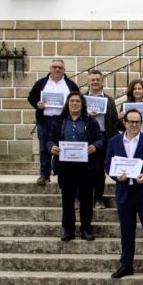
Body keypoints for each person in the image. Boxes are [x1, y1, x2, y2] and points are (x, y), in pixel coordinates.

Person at [105, 109, 143, 280]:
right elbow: (108, 164)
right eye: (131, 122)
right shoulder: (114, 141)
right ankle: (126, 265)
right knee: (126, 231)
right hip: (125, 193)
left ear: (141, 123)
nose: (134, 125)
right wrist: (117, 176)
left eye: (137, 122)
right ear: (124, 123)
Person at [47, 92, 104, 241]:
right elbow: (50, 140)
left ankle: (86, 229)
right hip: (65, 167)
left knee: (86, 200)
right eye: (72, 101)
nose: (74, 103)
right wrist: (52, 147)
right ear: (67, 104)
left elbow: (100, 139)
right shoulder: (59, 121)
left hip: (86, 167)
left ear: (82, 104)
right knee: (68, 200)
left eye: (77, 101)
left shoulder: (90, 121)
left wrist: (94, 146)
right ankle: (68, 229)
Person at [27, 59, 80, 185]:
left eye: (60, 68)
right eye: (54, 67)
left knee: (64, 147)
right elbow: (31, 97)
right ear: (50, 68)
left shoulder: (70, 85)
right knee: (44, 147)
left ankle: (64, 173)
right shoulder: (41, 83)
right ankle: (44, 174)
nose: (57, 69)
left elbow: (78, 99)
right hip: (45, 120)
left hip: (64, 120)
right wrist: (37, 104)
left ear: (64, 70)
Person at [84, 69, 118, 209]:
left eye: (98, 79)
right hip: (87, 137)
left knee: (99, 169)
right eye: (92, 80)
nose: (95, 82)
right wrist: (87, 114)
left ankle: (98, 198)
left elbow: (114, 120)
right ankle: (84, 198)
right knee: (86, 170)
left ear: (102, 81)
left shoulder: (109, 100)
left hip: (104, 136)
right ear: (88, 82)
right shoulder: (82, 99)